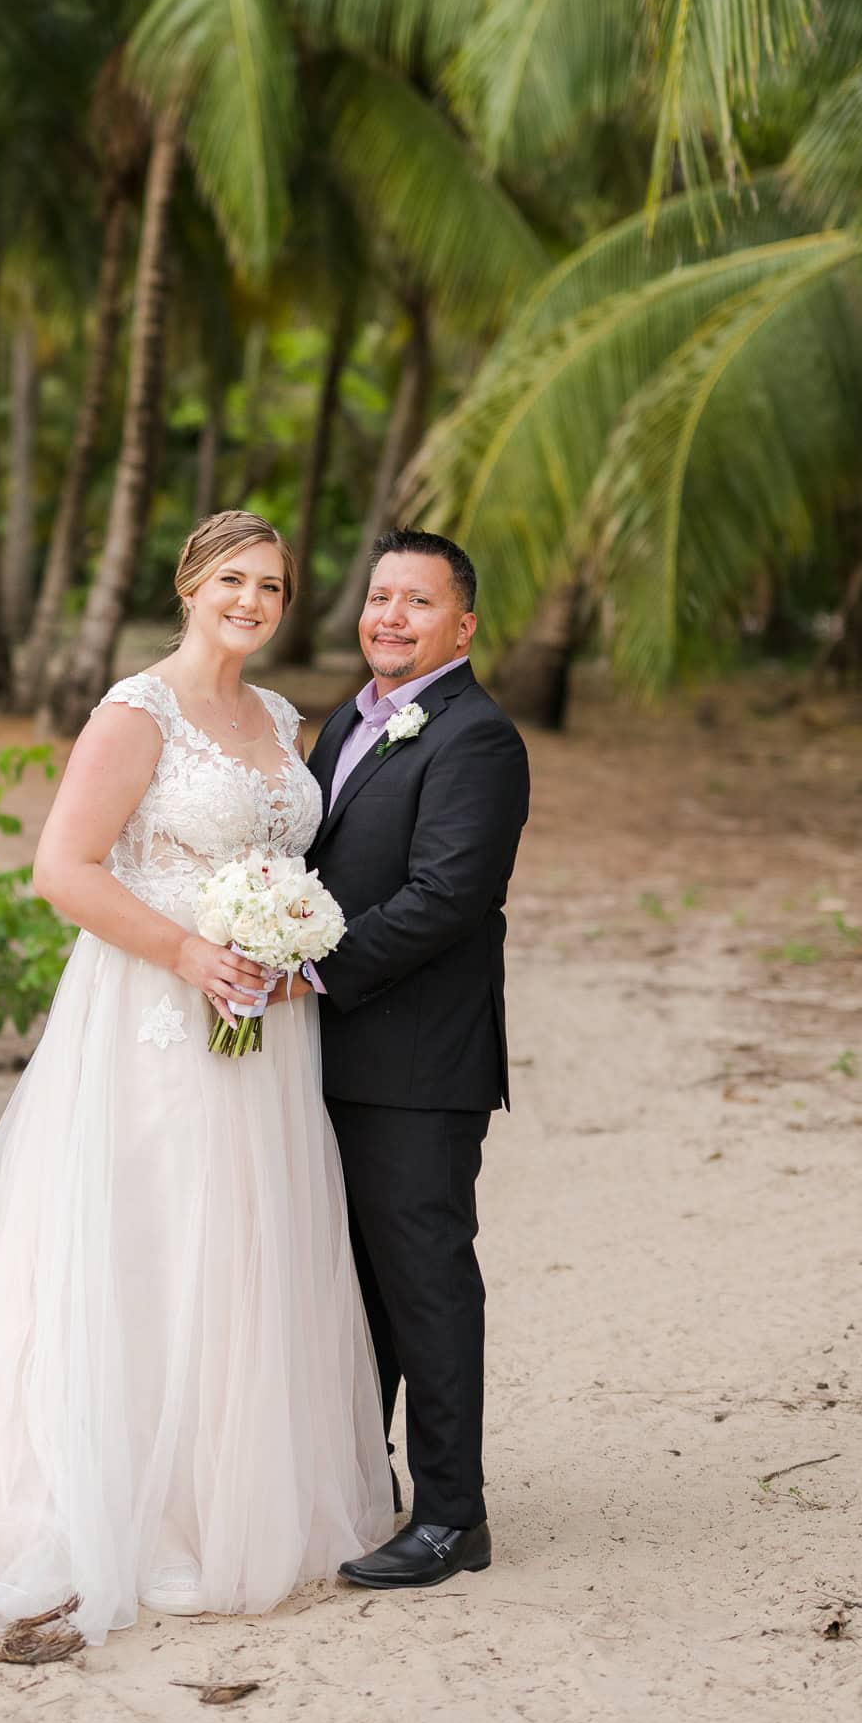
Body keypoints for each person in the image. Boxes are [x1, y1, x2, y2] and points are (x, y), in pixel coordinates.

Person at [0, 512, 390, 1657]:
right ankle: (122, 1510)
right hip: (155, 1012)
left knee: (246, 1243)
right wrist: (193, 950)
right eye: (234, 579)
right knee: (157, 1237)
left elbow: (295, 856)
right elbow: (61, 868)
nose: (253, 601)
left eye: (275, 587)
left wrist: (284, 938)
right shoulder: (136, 710)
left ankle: (223, 1497)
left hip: (263, 1024)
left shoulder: (285, 720)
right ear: (190, 584)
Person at [278, 528, 530, 1590]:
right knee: (354, 1284)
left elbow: (446, 897)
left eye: (416, 602)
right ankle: (365, 1484)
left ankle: (453, 1518)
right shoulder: (351, 719)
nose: (389, 616)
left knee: (425, 1281)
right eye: (380, 596)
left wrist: (313, 970)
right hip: (330, 1054)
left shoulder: (478, 738)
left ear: (461, 626)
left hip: (420, 1063)